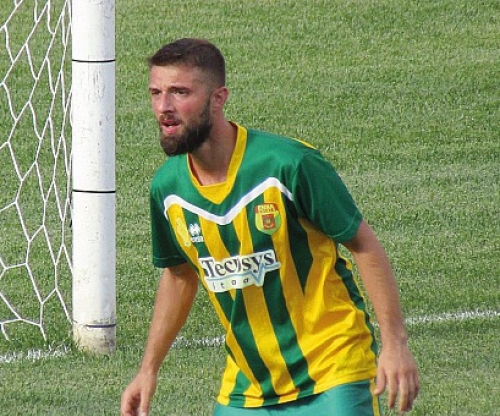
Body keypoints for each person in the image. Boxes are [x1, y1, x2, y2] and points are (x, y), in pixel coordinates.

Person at [121, 38, 419, 416]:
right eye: (156, 93)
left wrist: (395, 345)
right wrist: (148, 370)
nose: (164, 106)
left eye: (180, 92)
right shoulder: (168, 189)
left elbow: (364, 245)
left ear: (218, 98)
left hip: (332, 372)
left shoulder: (288, 165)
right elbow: (179, 275)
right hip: (248, 388)